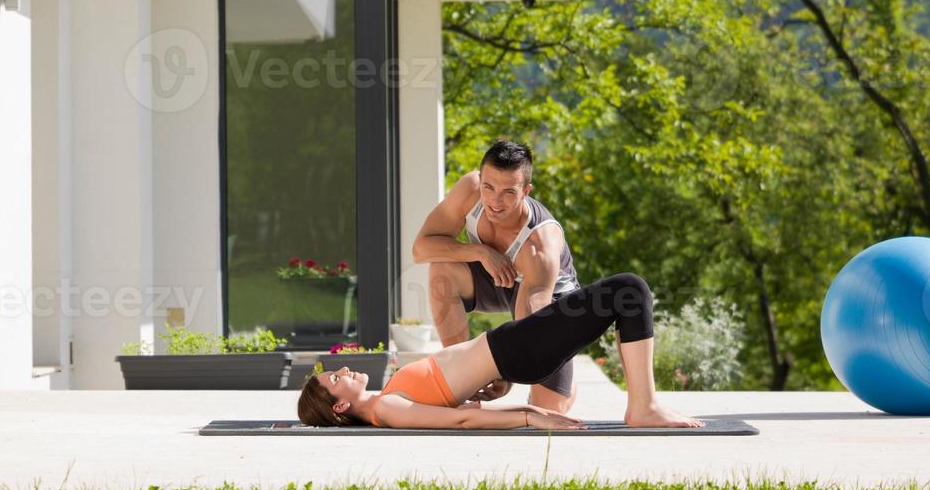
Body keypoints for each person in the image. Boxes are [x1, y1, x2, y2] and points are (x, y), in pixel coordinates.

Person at [297, 272, 705, 430]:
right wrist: (529, 416)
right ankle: (643, 406)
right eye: (335, 379)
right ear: (337, 407)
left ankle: (642, 403)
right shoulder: (386, 409)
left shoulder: (388, 398)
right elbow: (460, 421)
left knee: (624, 297)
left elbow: (457, 403)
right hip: (518, 350)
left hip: (514, 351)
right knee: (629, 291)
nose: (344, 369)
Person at [413, 139, 581, 414]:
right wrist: (481, 252)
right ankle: (461, 376)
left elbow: (531, 326)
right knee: (441, 268)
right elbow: (420, 250)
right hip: (494, 278)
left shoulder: (538, 244)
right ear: (480, 179)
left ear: (526, 191)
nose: (495, 201)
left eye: (508, 192)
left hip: (547, 300)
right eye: (488, 187)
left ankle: (567, 389)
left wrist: (507, 374)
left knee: (548, 410)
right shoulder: (469, 190)